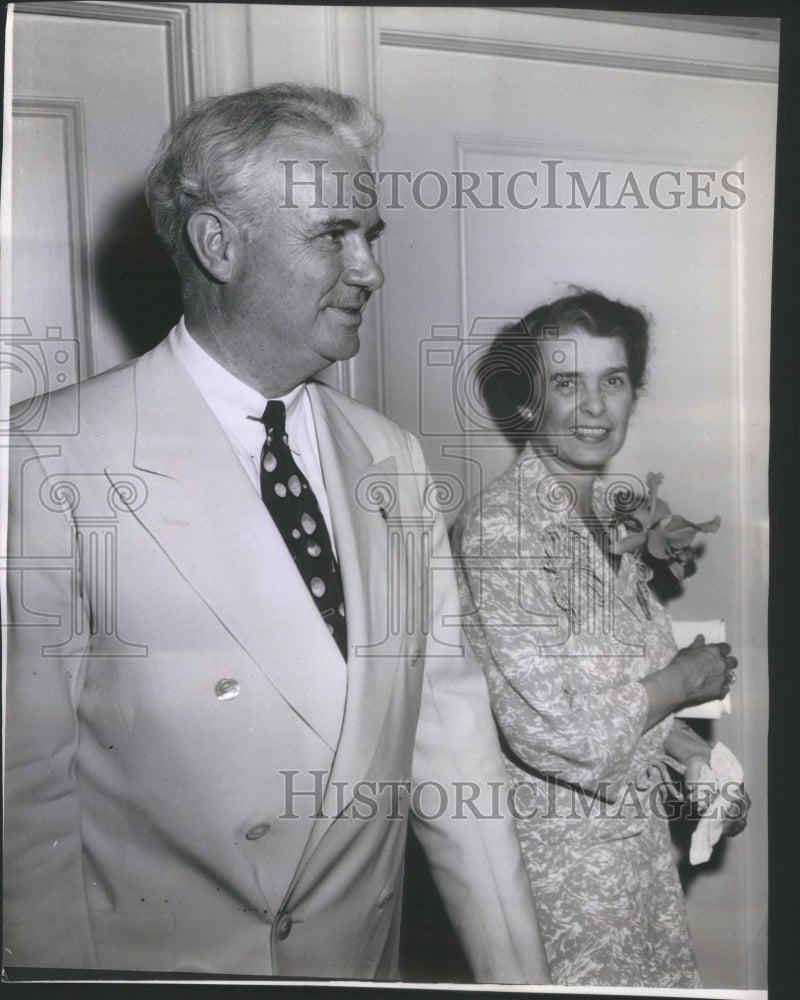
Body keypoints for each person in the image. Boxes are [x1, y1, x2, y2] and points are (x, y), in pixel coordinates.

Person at [3, 84, 549, 982]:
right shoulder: (43, 458)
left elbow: (456, 755)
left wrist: (520, 980)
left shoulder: (394, 458)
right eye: (334, 234)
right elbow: (23, 805)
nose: (370, 268)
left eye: (370, 235)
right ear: (220, 244)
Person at [451, 290, 749, 988]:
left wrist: (697, 769)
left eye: (612, 381)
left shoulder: (607, 526)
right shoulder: (505, 531)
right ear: (528, 401)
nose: (594, 406)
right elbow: (557, 729)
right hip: (562, 890)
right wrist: (685, 681)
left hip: (637, 871)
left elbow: (616, 703)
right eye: (566, 382)